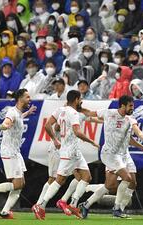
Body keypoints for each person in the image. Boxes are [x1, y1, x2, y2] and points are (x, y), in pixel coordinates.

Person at [78, 95, 143, 218]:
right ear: (122, 105)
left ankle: (86, 205)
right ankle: (117, 209)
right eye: (130, 106)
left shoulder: (130, 119)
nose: (132, 108)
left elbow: (134, 134)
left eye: (132, 106)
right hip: (109, 154)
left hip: (123, 155)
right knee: (126, 179)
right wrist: (79, 109)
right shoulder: (109, 113)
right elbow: (90, 113)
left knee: (115, 185)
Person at [32, 90, 100, 220]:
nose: (81, 101)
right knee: (59, 180)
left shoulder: (60, 110)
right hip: (69, 152)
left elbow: (47, 125)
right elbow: (77, 132)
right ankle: (40, 205)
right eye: (80, 99)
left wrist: (55, 139)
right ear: (75, 99)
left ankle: (73, 203)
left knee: (87, 177)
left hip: (75, 152)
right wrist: (92, 142)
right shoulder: (73, 113)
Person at [0, 89, 36, 219]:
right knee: (17, 184)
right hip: (9, 152)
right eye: (27, 97)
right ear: (20, 98)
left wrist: (27, 113)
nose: (29, 99)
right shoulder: (12, 112)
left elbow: (18, 118)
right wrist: (4, 125)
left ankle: (4, 213)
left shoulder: (19, 113)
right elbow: (7, 122)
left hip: (16, 151)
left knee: (20, 185)